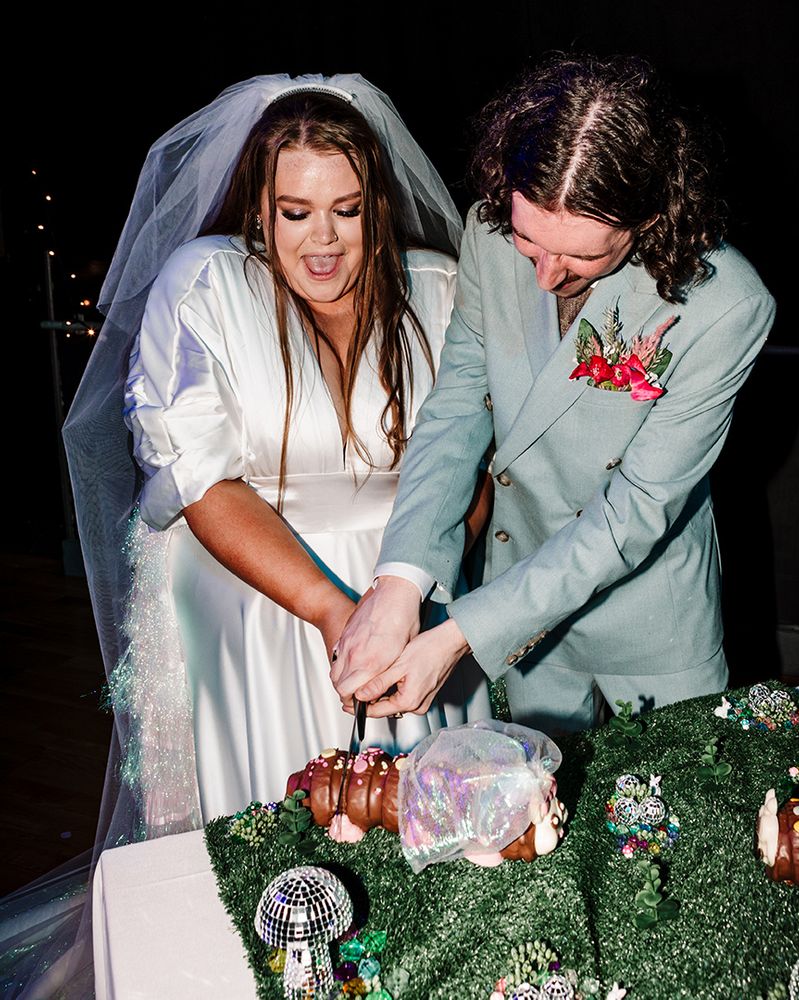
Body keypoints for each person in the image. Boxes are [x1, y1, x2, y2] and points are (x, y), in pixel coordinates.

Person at [66, 74, 491, 836]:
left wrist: (413, 597)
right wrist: (333, 610)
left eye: (346, 211)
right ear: (260, 209)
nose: (322, 240)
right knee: (279, 836)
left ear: (379, 206)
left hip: (415, 597)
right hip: (259, 602)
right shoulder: (202, 287)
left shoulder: (441, 291)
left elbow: (472, 473)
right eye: (296, 213)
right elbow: (200, 487)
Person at [333, 54, 776, 734]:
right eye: (529, 240)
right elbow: (456, 411)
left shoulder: (727, 303)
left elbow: (634, 513)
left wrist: (458, 635)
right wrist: (400, 578)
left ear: (651, 216)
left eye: (579, 258)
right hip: (523, 607)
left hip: (650, 624)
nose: (543, 276)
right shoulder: (487, 236)